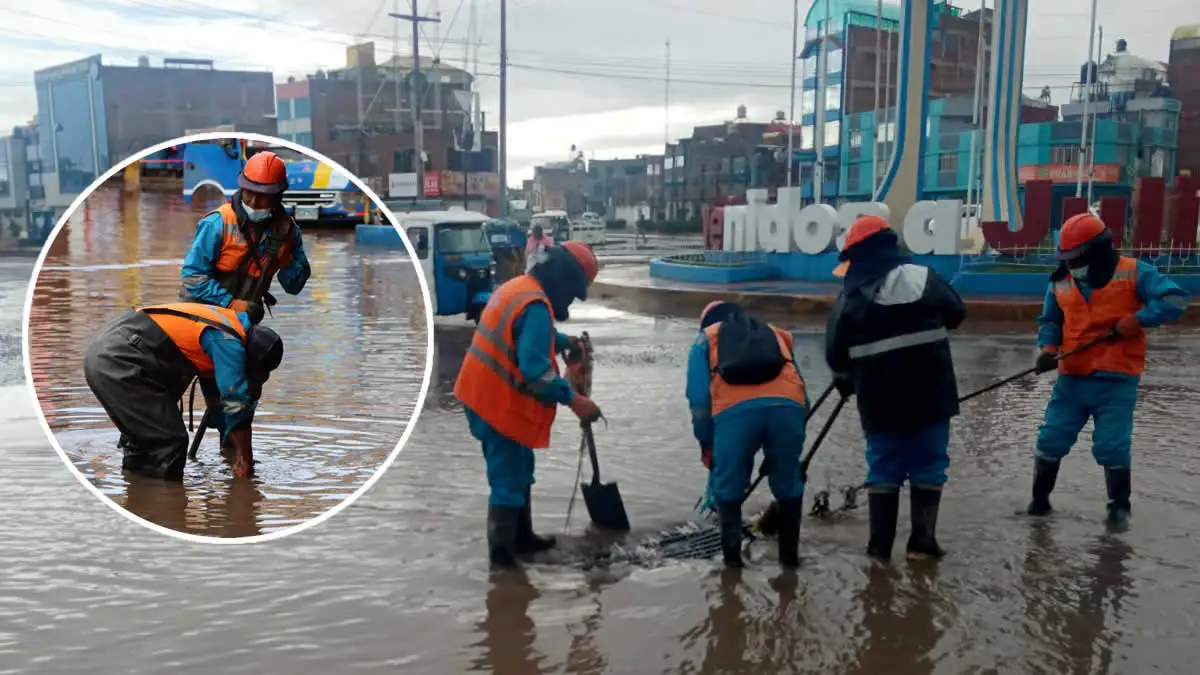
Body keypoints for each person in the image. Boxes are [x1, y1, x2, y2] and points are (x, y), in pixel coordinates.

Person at [1029, 212, 1190, 532]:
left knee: (1112, 445)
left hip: (1116, 377)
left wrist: (1139, 319)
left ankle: (1119, 510)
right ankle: (1039, 503)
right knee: (1051, 439)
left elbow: (1175, 299)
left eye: (1079, 259)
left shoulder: (1134, 272)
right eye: (1068, 259)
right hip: (1072, 376)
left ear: (1098, 252)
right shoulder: (1060, 281)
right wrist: (1048, 351)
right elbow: (1050, 321)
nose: (1074, 266)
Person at [454, 242, 604, 569]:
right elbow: (536, 370)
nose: (569, 302)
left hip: (483, 393)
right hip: (496, 402)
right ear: (562, 280)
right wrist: (575, 400)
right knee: (508, 480)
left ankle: (523, 539)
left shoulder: (520, 288)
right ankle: (503, 568)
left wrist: (564, 343)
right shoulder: (536, 304)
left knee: (522, 469)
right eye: (572, 293)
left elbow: (533, 334)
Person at [826, 214, 965, 562]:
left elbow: (835, 356)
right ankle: (921, 544)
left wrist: (845, 380)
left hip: (880, 402)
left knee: (884, 468)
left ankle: (879, 550)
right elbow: (957, 313)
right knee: (929, 465)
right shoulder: (925, 279)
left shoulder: (848, 300)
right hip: (931, 396)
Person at [83, 302, 284, 481]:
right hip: (119, 358)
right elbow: (235, 403)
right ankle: (164, 507)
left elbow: (220, 407)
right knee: (169, 442)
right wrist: (244, 458)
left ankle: (137, 493)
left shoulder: (229, 324)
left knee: (147, 443)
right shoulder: (228, 343)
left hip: (113, 348)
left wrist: (232, 450)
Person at [686, 300, 809, 569]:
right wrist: (788, 444)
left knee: (728, 490)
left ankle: (732, 571)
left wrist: (707, 442)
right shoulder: (777, 334)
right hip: (787, 409)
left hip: (735, 415)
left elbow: (699, 400)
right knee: (789, 486)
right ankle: (790, 565)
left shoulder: (704, 340)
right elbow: (800, 390)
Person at [179, 150, 311, 325]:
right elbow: (192, 276)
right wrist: (230, 303)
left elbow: (294, 287)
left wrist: (286, 259)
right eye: (249, 193)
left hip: (244, 323)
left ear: (278, 196)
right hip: (200, 319)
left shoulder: (288, 232)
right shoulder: (217, 224)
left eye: (263, 196)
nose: (254, 202)